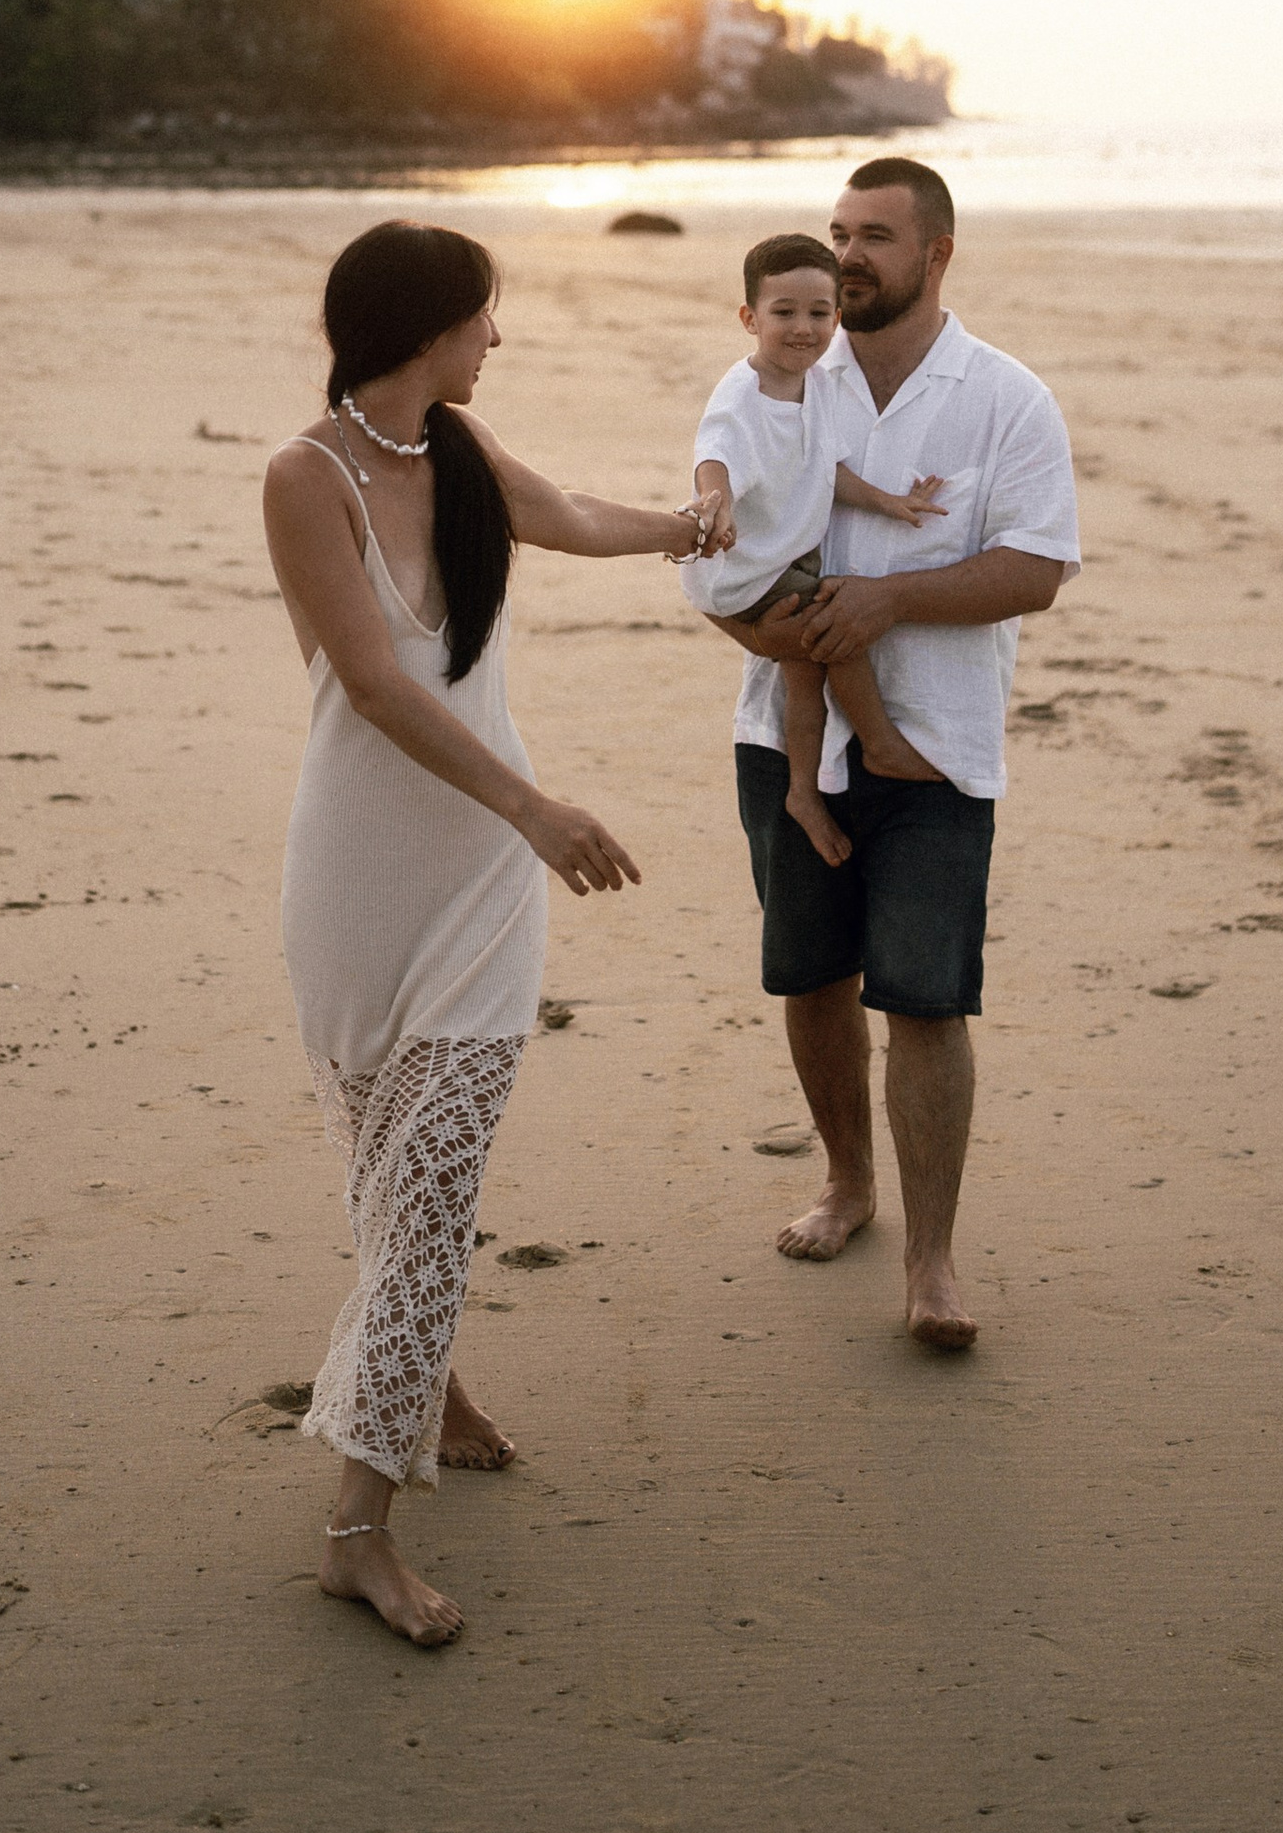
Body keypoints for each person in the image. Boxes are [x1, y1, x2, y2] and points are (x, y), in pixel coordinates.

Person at [261, 218, 716, 1649]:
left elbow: (567, 512)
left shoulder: (457, 453)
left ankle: (357, 1529)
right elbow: (383, 691)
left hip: (485, 887)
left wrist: (691, 527)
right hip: (367, 870)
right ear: (420, 326)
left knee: (436, 1176)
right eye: (482, 319)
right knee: (383, 1156)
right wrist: (534, 807)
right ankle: (425, 1403)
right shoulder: (306, 477)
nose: (496, 342)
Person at [705, 158, 1078, 1352]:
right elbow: (711, 548)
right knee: (811, 979)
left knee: (924, 999)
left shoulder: (1006, 397)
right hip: (783, 732)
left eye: (874, 236)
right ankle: (847, 1185)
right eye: (835, 233)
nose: (847, 257)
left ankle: (931, 1260)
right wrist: (771, 627)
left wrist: (885, 602)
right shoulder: (777, 380)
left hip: (937, 751)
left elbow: (1036, 569)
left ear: (937, 253)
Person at [680, 231, 950, 867]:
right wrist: (712, 505)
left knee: (803, 679)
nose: (803, 329)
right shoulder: (740, 394)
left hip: (786, 556)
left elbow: (824, 469)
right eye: (784, 313)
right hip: (747, 567)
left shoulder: (817, 386)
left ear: (837, 316)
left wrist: (891, 502)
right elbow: (714, 454)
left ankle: (802, 792)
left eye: (819, 313)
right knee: (836, 633)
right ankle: (881, 743)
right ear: (750, 318)